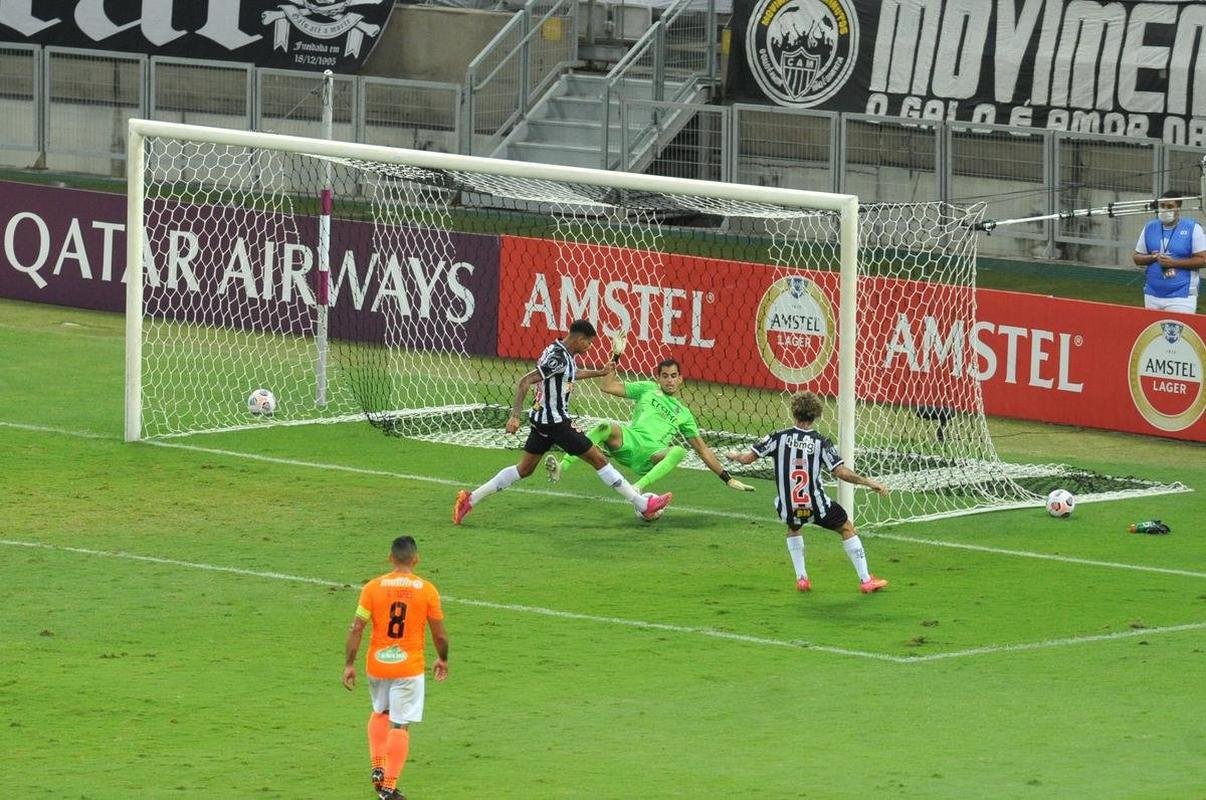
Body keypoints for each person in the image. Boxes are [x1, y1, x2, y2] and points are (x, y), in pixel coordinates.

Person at [453, 319, 672, 524]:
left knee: (524, 469)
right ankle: (643, 504)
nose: (589, 347)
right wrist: (515, 416)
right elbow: (525, 381)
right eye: (588, 343)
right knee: (599, 459)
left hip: (541, 421)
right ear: (580, 339)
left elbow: (570, 373)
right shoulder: (558, 357)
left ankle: (469, 499)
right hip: (556, 423)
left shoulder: (559, 352)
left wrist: (601, 372)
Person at [726, 392, 890, 594]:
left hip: (789, 507)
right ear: (816, 415)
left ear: (794, 412)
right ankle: (865, 580)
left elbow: (747, 459)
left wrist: (735, 455)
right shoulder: (821, 442)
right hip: (816, 506)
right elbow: (840, 472)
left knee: (794, 527)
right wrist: (869, 482)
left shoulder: (777, 437)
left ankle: (802, 578)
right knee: (846, 527)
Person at [545, 357, 755, 494]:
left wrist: (727, 478)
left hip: (652, 454)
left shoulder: (684, 413)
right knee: (605, 426)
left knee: (679, 451)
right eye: (665, 376)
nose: (669, 381)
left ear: (680, 379)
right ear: (658, 378)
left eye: (673, 376)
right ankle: (562, 467)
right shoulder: (647, 388)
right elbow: (607, 386)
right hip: (629, 441)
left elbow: (702, 450)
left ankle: (636, 488)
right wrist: (616, 357)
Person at [343, 535, 449, 800]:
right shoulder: (427, 590)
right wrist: (442, 658)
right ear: (416, 559)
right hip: (408, 668)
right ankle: (388, 788)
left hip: (377, 665)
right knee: (400, 724)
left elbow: (356, 627)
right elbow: (439, 634)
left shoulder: (372, 588)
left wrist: (349, 664)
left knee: (380, 712)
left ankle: (377, 766)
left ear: (390, 558)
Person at [1132, 190, 1205, 314]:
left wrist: (1173, 263)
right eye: (1162, 206)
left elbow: (1203, 260)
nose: (1165, 210)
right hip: (1152, 294)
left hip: (1182, 296)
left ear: (1178, 209)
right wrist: (1152, 257)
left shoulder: (1193, 228)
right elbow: (1136, 257)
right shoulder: (1150, 227)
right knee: (1154, 327)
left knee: (1176, 327)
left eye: (1170, 206)